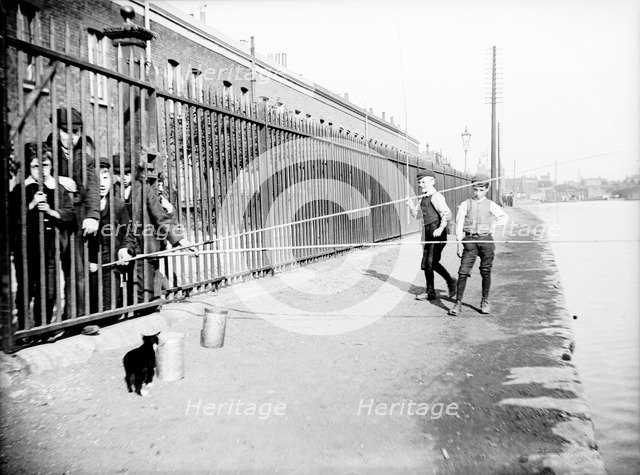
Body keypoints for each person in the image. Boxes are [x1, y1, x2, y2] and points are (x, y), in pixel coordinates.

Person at [10, 142, 74, 328]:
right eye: (36, 166)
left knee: (49, 290)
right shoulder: (20, 190)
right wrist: (31, 204)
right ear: (29, 167)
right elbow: (13, 219)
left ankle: (42, 327)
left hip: (50, 247)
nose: (41, 170)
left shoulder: (57, 188)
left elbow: (69, 213)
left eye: (45, 165)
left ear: (51, 165)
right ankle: (23, 329)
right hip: (27, 249)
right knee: (26, 289)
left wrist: (52, 211)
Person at [45, 107, 100, 319]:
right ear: (57, 130)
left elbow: (93, 188)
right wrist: (56, 179)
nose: (72, 137)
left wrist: (93, 215)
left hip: (76, 219)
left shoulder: (86, 159)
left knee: (77, 272)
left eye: (76, 132)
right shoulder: (45, 151)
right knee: (46, 273)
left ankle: (74, 321)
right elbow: (34, 173)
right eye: (66, 131)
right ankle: (41, 325)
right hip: (50, 217)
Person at [117, 157, 195, 304]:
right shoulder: (113, 191)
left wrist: (181, 240)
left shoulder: (144, 189)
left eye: (127, 173)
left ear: (133, 173)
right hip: (122, 245)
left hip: (144, 246)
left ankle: (147, 314)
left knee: (144, 291)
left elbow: (161, 217)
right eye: (119, 173)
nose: (123, 177)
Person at [448, 174, 508, 316]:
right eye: (475, 189)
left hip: (486, 241)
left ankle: (485, 302)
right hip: (470, 241)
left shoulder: (491, 204)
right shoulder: (465, 204)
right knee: (463, 271)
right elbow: (459, 224)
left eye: (481, 190)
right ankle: (458, 304)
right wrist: (458, 243)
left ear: (487, 189)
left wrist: (494, 224)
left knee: (485, 271)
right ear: (472, 188)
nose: (477, 193)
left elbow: (504, 217)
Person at [406, 169, 457, 300]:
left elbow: (447, 213)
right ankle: (430, 292)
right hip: (427, 234)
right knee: (426, 264)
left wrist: (440, 228)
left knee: (431, 262)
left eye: (423, 182)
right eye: (419, 182)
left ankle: (451, 281)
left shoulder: (436, 197)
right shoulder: (423, 198)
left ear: (432, 181)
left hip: (437, 234)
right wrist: (411, 206)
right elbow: (417, 215)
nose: (420, 184)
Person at [88, 159, 131, 313]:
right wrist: (86, 261)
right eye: (97, 179)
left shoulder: (118, 205)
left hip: (112, 266)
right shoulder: (85, 206)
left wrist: (124, 249)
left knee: (109, 310)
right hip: (90, 267)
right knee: (91, 310)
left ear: (111, 181)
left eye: (105, 179)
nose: (101, 184)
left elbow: (128, 233)